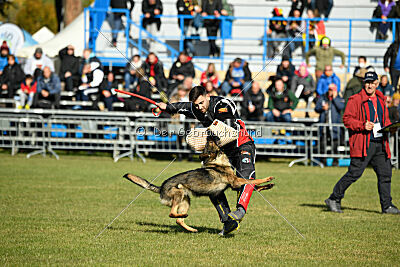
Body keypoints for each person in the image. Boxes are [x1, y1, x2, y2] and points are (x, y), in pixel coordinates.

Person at [156, 86, 257, 235]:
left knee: (245, 176)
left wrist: (203, 133)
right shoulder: (196, 107)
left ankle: (240, 211)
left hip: (241, 143)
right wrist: (167, 107)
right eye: (196, 105)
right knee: (211, 184)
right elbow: (183, 107)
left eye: (202, 103)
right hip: (221, 151)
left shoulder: (223, 105)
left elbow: (227, 129)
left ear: (207, 96)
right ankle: (227, 221)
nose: (199, 107)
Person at [325, 71, 400, 214]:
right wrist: (362, 125)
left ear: (377, 84)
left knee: (386, 174)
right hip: (364, 143)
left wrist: (391, 127)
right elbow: (347, 119)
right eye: (367, 82)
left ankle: (387, 206)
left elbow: (385, 120)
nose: (370, 85)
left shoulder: (380, 98)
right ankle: (334, 198)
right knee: (354, 173)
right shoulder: (355, 99)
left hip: (380, 143)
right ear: (364, 83)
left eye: (372, 82)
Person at [315, 84, 345, 157]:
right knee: (323, 143)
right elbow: (316, 108)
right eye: (330, 89)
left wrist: (334, 98)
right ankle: (323, 160)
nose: (331, 91)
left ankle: (335, 160)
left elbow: (341, 107)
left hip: (335, 125)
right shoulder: (323, 97)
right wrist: (322, 108)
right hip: (324, 125)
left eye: (332, 89)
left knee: (335, 143)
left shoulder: (339, 98)